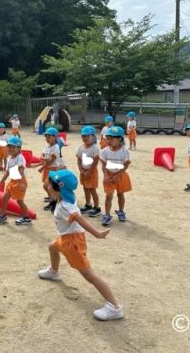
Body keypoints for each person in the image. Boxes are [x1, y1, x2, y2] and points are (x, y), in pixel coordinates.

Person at [37, 169, 123, 321]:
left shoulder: (65, 206)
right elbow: (46, 185)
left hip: (73, 242)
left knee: (89, 275)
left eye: (49, 183)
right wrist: (50, 180)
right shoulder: (65, 196)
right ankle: (54, 272)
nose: (46, 184)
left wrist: (97, 233)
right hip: (66, 238)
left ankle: (114, 307)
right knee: (52, 247)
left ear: (58, 188)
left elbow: (80, 220)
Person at [0, 137, 31, 226]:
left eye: (13, 147)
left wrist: (21, 183)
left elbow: (21, 170)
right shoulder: (10, 159)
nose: (10, 149)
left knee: (19, 201)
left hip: (20, 181)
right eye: (9, 147)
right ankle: (3, 215)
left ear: (19, 148)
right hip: (12, 181)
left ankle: (26, 217)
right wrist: (1, 182)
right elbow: (7, 172)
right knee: (4, 198)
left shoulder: (20, 158)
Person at [99, 126, 132, 226]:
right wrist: (105, 176)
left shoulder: (125, 151)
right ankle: (107, 215)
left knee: (120, 194)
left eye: (112, 138)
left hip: (121, 175)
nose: (109, 140)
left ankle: (121, 211)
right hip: (108, 175)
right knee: (108, 196)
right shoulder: (105, 151)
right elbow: (104, 165)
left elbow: (125, 165)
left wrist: (118, 175)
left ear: (120, 139)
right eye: (108, 138)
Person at [76, 126, 101, 216]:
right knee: (85, 188)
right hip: (83, 171)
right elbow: (79, 159)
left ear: (93, 137)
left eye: (87, 136)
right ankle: (88, 204)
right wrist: (81, 169)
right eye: (83, 136)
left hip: (92, 172)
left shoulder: (95, 148)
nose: (85, 138)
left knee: (92, 189)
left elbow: (96, 161)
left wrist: (89, 172)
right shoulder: (81, 148)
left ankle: (97, 207)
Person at [37, 127, 62, 212]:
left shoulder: (56, 147)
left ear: (55, 137)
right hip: (47, 169)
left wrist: (42, 167)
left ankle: (54, 203)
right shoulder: (47, 146)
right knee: (46, 186)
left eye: (49, 137)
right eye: (46, 137)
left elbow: (51, 160)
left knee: (49, 187)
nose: (47, 139)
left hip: (53, 169)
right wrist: (44, 159)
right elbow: (42, 156)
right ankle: (52, 201)